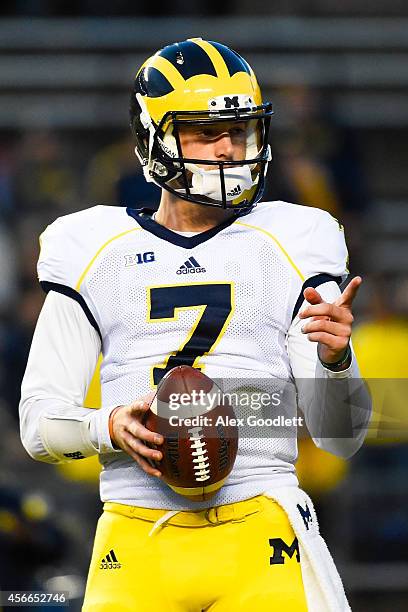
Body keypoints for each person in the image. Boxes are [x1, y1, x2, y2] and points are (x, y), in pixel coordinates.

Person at [19, 39, 371, 611]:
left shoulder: (297, 238)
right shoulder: (91, 248)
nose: (229, 148)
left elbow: (341, 435)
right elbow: (37, 424)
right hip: (136, 534)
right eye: (205, 132)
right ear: (153, 139)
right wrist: (110, 427)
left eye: (238, 130)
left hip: (262, 521)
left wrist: (336, 361)